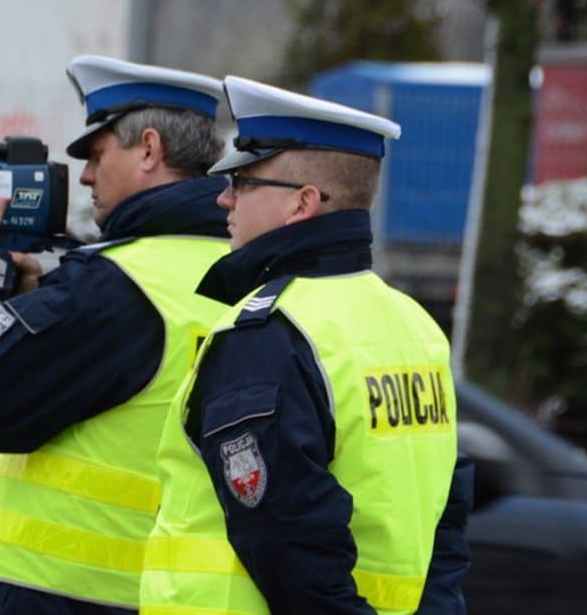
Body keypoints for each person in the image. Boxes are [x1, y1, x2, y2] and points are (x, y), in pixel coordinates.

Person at [139, 76, 474, 615]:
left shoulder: (267, 335)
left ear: (303, 203)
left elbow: (287, 545)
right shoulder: (414, 326)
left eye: (243, 182)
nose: (223, 197)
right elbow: (447, 523)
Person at [0, 55, 230, 614]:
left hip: (60, 591)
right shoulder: (243, 274)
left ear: (150, 150)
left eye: (96, 154)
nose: (84, 176)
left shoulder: (116, 288)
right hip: (168, 593)